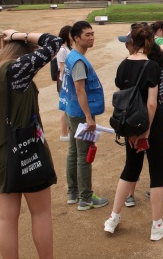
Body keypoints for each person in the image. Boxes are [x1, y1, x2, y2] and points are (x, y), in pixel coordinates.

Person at [0, 29, 61, 258]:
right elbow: (54, 42)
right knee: (41, 213)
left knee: (6, 217)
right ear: (25, 51)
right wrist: (19, 34)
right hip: (26, 150)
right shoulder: (16, 71)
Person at [104, 24, 163, 241]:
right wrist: (147, 131)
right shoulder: (151, 66)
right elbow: (152, 104)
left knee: (130, 169)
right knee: (157, 170)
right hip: (150, 123)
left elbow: (121, 97)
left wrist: (133, 130)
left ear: (131, 43)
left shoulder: (123, 65)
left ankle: (113, 217)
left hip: (130, 122)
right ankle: (156, 225)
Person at [62, 20, 108, 210]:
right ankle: (86, 198)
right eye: (87, 35)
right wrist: (88, 117)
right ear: (75, 38)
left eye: (92, 33)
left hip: (72, 111)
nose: (91, 38)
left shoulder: (72, 56)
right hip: (81, 114)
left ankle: (73, 193)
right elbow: (81, 91)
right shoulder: (79, 61)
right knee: (84, 154)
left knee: (74, 152)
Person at [56, 25, 72, 141]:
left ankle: (68, 131)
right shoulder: (62, 49)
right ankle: (64, 133)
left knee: (69, 106)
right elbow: (61, 67)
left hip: (66, 79)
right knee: (66, 107)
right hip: (64, 80)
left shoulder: (67, 48)